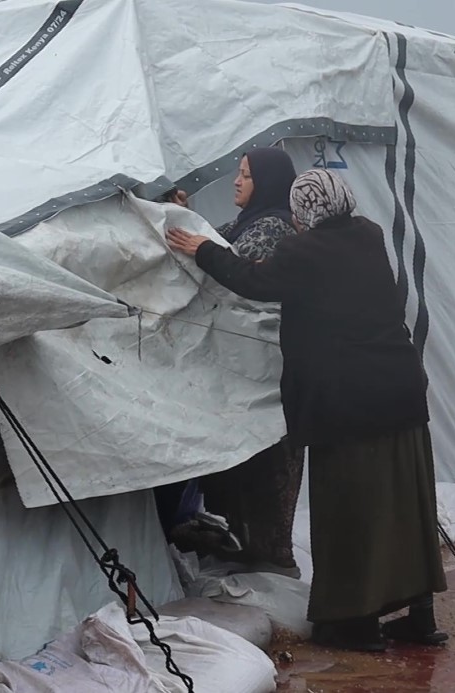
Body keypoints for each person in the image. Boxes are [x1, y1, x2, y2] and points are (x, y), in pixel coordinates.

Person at [166, 169, 448, 652]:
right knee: (408, 509)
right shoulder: (368, 236)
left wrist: (204, 250)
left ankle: (353, 624)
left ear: (305, 212)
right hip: (399, 395)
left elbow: (251, 281)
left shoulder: (303, 252)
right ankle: (420, 616)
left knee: (349, 512)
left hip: (349, 407)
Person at [158, 148, 306, 577]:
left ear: (268, 182)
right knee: (242, 468)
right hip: (243, 370)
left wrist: (198, 243)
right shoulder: (249, 222)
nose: (236, 182)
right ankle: (251, 546)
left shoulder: (272, 228)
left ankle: (271, 555)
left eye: (245, 175)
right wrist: (185, 219)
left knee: (264, 466)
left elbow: (232, 269)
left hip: (263, 373)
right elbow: (212, 241)